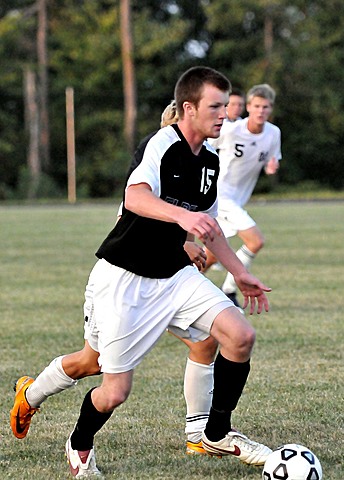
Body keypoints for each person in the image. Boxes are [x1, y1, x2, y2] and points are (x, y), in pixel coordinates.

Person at [11, 66, 273, 477]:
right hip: (124, 278)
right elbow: (135, 198)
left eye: (227, 106)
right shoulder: (162, 144)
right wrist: (180, 219)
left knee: (239, 336)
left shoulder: (209, 161)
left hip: (173, 275)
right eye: (216, 106)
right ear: (189, 108)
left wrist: (239, 272)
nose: (225, 114)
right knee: (109, 384)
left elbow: (210, 225)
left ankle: (214, 432)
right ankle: (75, 439)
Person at [204, 83, 281, 308]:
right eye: (256, 106)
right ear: (248, 107)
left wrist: (271, 168)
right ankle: (228, 291)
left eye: (265, 107)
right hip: (220, 196)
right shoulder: (230, 130)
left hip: (238, 199)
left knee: (211, 256)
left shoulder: (273, 133)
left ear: (270, 109)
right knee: (256, 241)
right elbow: (204, 146)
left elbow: (269, 162)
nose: (261, 111)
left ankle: (175, 290)